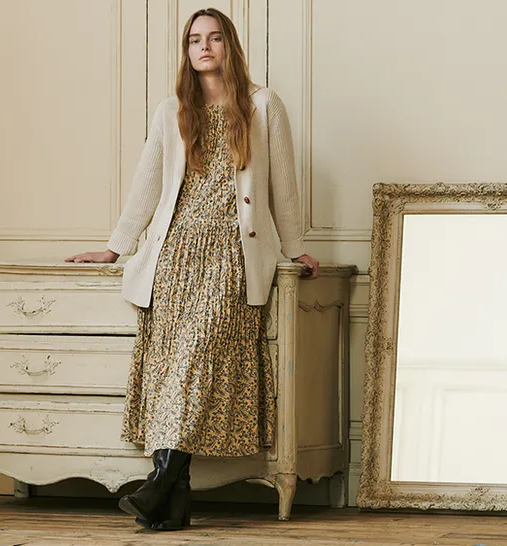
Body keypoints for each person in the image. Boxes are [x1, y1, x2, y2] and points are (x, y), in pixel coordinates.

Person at [66, 7, 319, 531]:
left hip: (232, 253)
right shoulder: (172, 111)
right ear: (186, 51)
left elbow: (284, 185)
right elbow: (147, 186)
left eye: (215, 38)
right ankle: (172, 500)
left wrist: (295, 249)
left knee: (192, 363)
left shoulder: (263, 105)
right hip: (175, 254)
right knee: (169, 368)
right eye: (194, 39)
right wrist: (115, 248)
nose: (204, 47)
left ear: (230, 46)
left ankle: (158, 486)